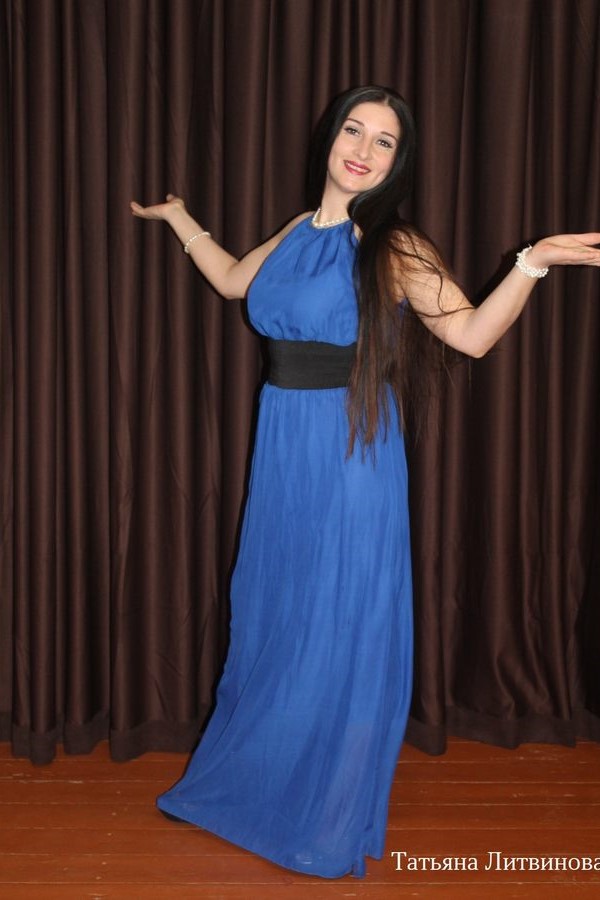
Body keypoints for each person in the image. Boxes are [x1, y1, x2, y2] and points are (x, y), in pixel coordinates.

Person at [130, 85, 600, 879]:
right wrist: (180, 220)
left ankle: (323, 807)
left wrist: (532, 263)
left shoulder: (394, 246)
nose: (364, 150)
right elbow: (235, 282)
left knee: (336, 619)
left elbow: (471, 335)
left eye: (385, 142)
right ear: (330, 137)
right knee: (275, 613)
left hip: (349, 456)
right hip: (284, 451)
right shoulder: (297, 229)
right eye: (355, 130)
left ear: (396, 162)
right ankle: (255, 781)